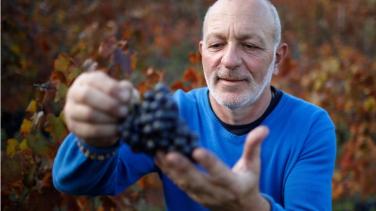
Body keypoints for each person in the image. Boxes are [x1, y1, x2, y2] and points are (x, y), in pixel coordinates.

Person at [52, 0, 336, 210]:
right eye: (216, 45)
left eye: (250, 46)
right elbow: (74, 182)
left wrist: (250, 207)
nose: (229, 60)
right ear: (201, 53)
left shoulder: (311, 125)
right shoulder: (172, 114)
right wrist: (94, 139)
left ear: (277, 58)